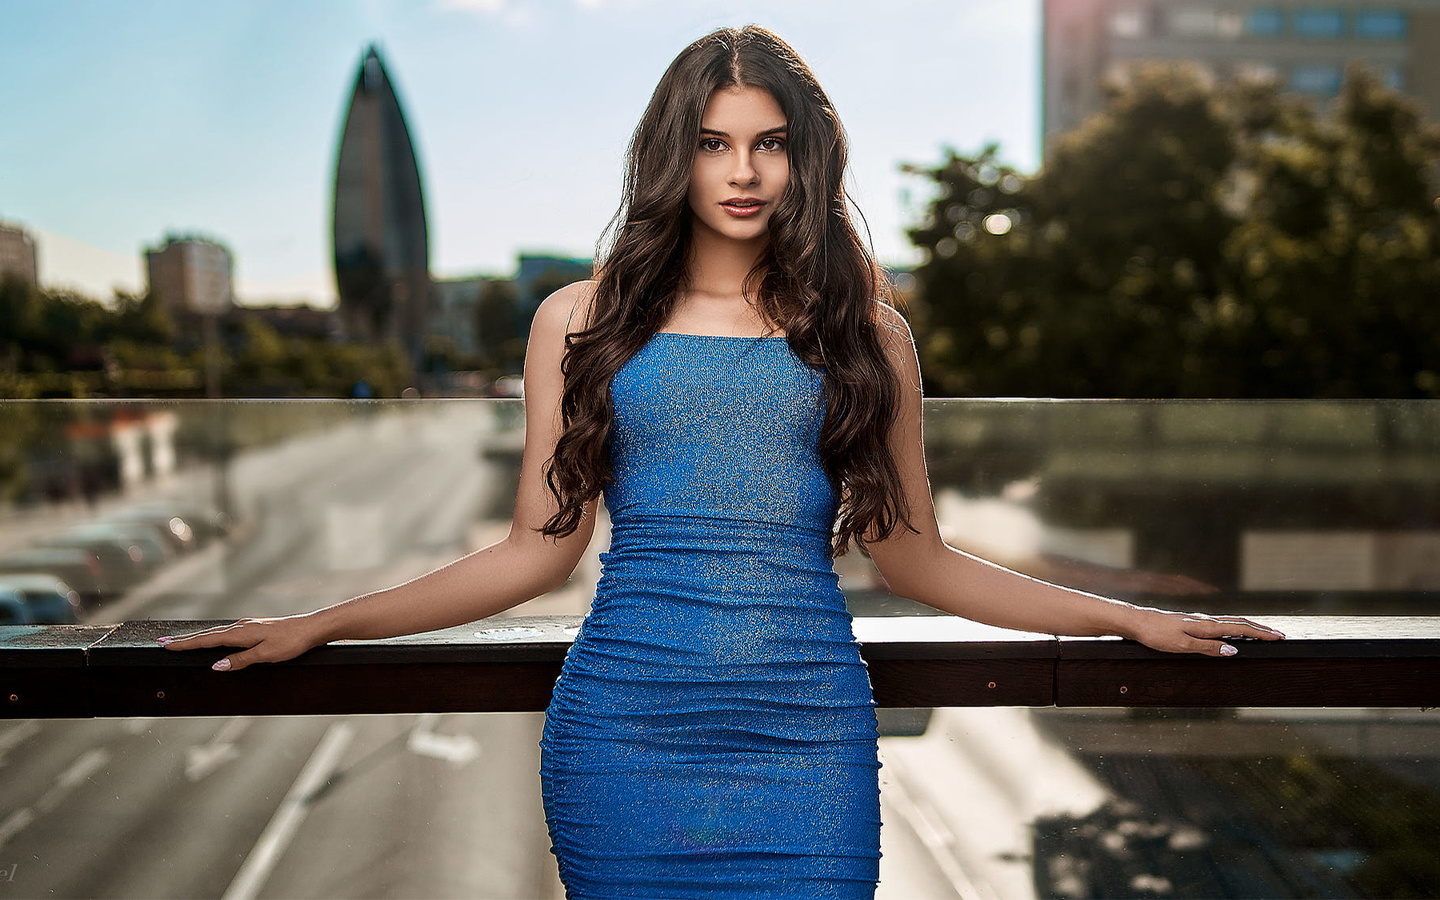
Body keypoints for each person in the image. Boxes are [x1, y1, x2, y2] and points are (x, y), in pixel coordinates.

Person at [157, 24, 1284, 899]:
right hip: (624, 733)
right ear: (673, 156)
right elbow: (530, 557)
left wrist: (1120, 617)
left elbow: (919, 562)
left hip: (808, 742)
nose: (742, 172)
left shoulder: (866, 332)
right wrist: (323, 622)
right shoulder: (578, 321)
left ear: (807, 154)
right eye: (712, 143)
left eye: (769, 142)